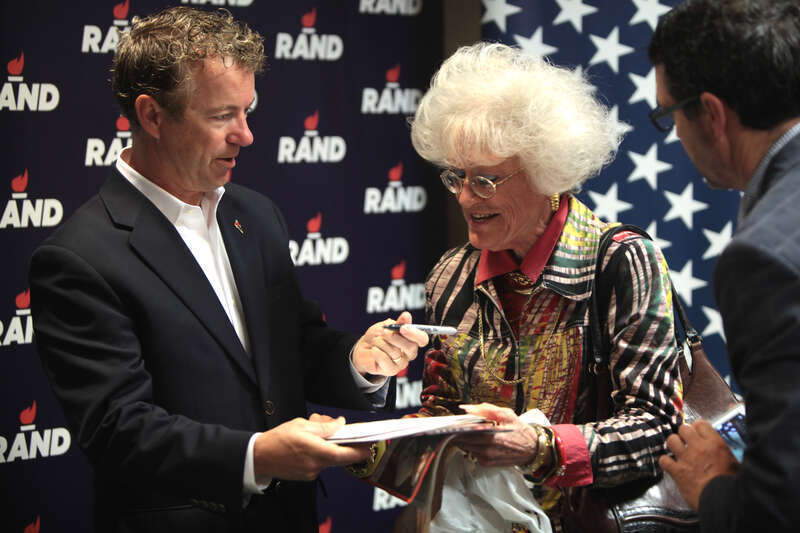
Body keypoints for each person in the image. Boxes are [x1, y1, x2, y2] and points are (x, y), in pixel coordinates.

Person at [28, 7, 427, 533]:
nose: (246, 135)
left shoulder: (256, 215)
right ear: (151, 116)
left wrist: (359, 359)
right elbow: (117, 430)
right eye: (221, 117)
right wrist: (257, 455)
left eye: (248, 112)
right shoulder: (79, 258)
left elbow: (294, 347)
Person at [404, 42, 683, 530]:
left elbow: (658, 429)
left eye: (486, 181)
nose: (466, 198)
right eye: (457, 177)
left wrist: (541, 448)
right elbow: (442, 413)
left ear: (544, 171)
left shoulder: (621, 262)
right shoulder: (451, 274)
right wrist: (367, 446)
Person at [648, 1, 800, 530]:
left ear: (711, 114)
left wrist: (711, 483)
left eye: (668, 115)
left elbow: (781, 511)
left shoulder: (764, 261)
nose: (676, 135)